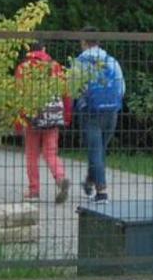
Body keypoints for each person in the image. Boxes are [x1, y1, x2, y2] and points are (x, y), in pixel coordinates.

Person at [15, 42, 71, 204]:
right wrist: (66, 115)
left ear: (29, 50)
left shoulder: (23, 68)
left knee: (32, 154)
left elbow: (19, 95)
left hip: (31, 116)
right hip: (52, 116)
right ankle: (60, 178)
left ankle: (34, 190)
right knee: (50, 152)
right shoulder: (55, 66)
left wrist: (18, 122)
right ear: (44, 49)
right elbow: (65, 92)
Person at [75, 33, 125, 202]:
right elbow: (121, 87)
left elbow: (74, 87)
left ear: (84, 42)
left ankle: (102, 192)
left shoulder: (81, 62)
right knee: (99, 149)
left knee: (95, 150)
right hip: (112, 112)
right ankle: (90, 180)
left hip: (91, 112)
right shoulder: (112, 61)